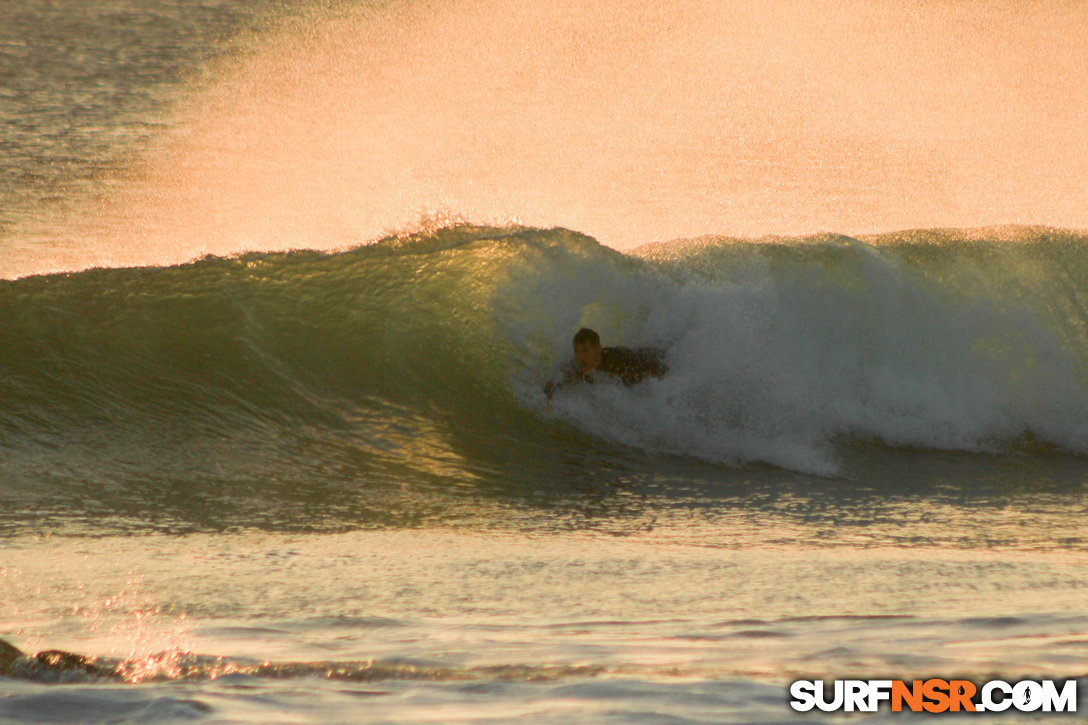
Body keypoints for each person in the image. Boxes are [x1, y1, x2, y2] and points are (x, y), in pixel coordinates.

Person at [544, 328, 667, 400]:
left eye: (585, 350)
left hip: (650, 356)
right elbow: (557, 379)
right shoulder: (578, 365)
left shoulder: (616, 362)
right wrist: (548, 394)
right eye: (577, 352)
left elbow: (653, 369)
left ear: (598, 349)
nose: (580, 356)